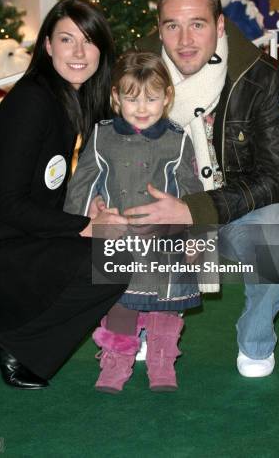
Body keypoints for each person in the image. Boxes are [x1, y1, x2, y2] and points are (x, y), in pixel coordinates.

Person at [0, 0, 128, 389]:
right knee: (113, 259)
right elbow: (10, 205)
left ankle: (11, 331)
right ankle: (16, 342)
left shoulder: (65, 100)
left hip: (19, 238)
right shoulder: (33, 102)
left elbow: (44, 185)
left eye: (88, 41)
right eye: (66, 39)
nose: (78, 52)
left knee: (116, 253)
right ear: (47, 46)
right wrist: (85, 225)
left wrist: (86, 207)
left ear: (101, 49)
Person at [129, 0, 279, 378]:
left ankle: (255, 339)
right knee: (114, 226)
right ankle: (139, 321)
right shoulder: (134, 72)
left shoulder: (262, 77)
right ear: (158, 28)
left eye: (197, 24)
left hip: (233, 210)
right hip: (160, 209)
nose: (184, 40)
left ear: (219, 25)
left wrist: (197, 210)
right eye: (171, 26)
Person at [65, 52, 218, 392]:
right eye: (132, 98)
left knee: (165, 310)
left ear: (167, 97)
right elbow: (82, 182)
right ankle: (115, 362)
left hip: (166, 243)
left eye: (152, 97)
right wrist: (87, 213)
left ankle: (162, 363)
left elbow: (192, 194)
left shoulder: (178, 140)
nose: (142, 107)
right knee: (121, 306)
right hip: (118, 241)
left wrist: (197, 236)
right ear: (116, 97)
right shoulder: (101, 136)